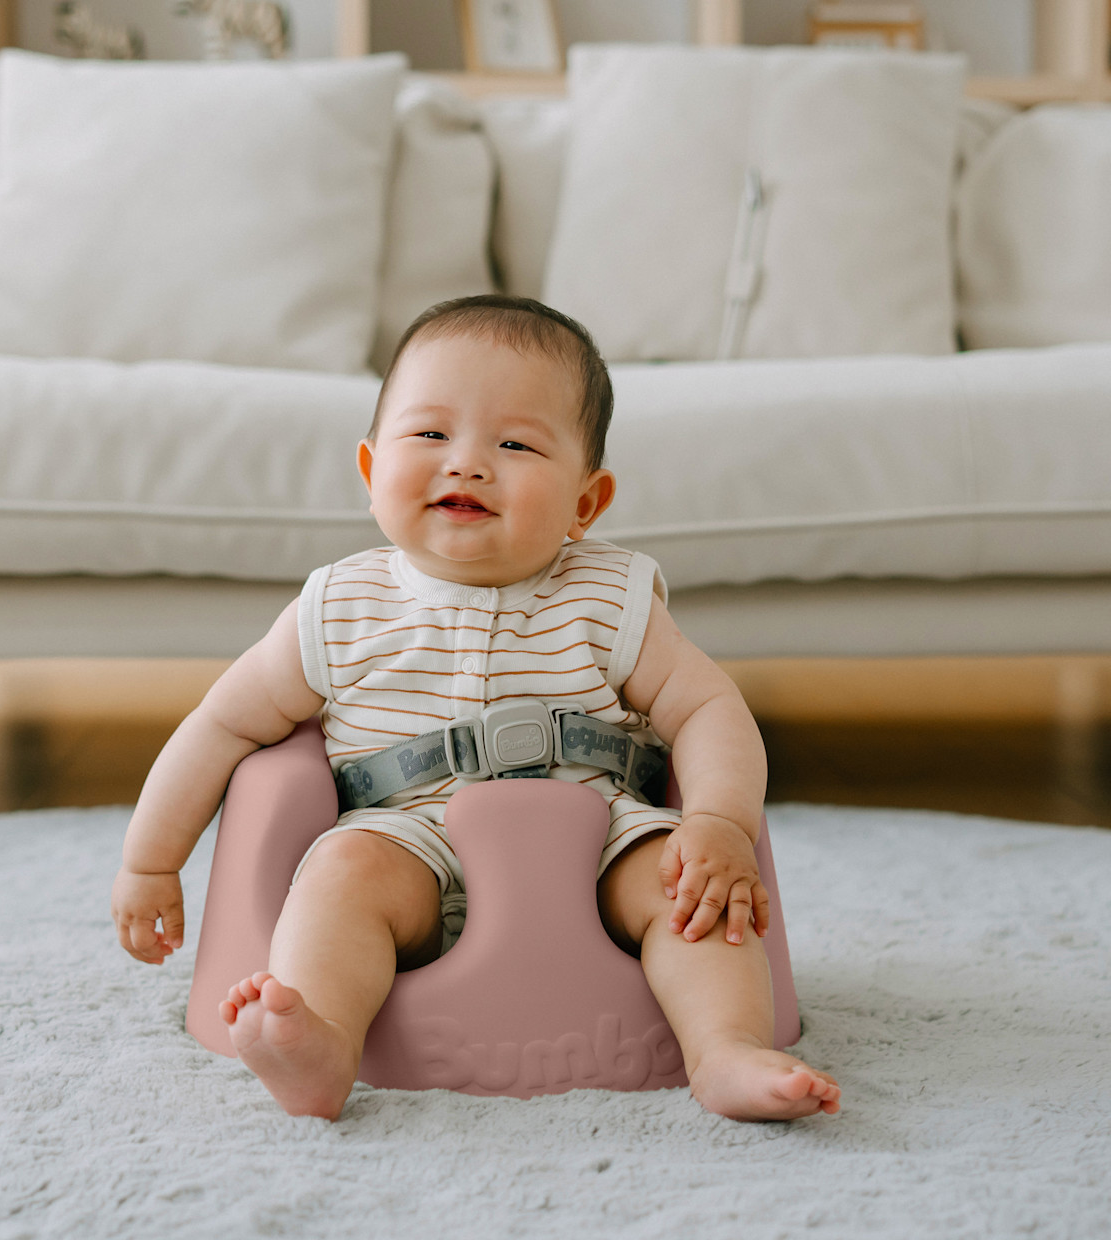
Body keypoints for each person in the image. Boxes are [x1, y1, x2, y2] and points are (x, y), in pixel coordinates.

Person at [112, 295, 841, 1123]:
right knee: (337, 880)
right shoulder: (339, 607)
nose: (466, 463)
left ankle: (726, 1049)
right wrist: (151, 861)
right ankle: (319, 1041)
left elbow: (708, 707)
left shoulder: (610, 597)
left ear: (585, 502)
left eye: (516, 444)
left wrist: (717, 819)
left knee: (692, 892)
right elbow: (222, 726)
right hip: (405, 840)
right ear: (369, 467)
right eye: (429, 435)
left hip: (599, 835)